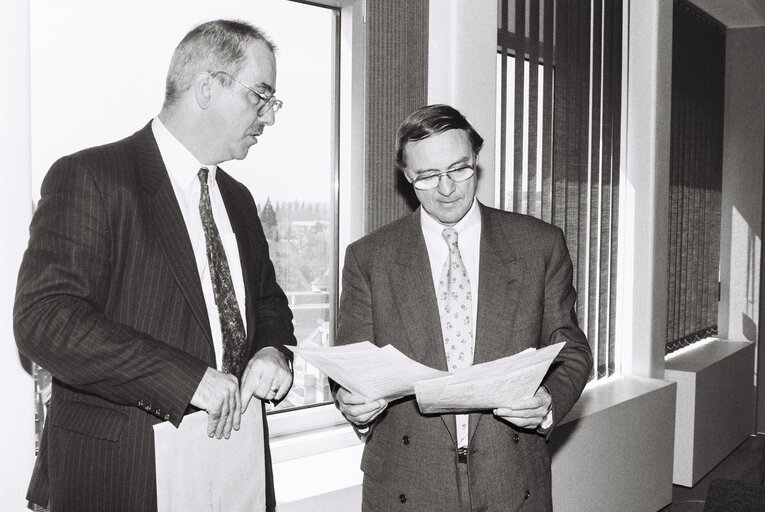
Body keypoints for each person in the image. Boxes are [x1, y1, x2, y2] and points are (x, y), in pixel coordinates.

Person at [13, 19, 295, 512]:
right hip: (123, 473)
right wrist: (186, 379)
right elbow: (44, 320)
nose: (268, 117)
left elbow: (268, 302)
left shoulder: (239, 200)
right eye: (261, 96)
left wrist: (272, 351)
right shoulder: (93, 177)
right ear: (207, 87)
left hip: (235, 470)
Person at [333, 104, 593, 511]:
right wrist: (353, 404)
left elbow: (572, 351)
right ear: (406, 176)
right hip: (406, 481)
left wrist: (548, 402)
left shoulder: (539, 246)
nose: (447, 188)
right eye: (428, 176)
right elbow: (352, 368)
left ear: (476, 160)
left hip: (512, 478)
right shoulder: (369, 258)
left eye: (459, 169)